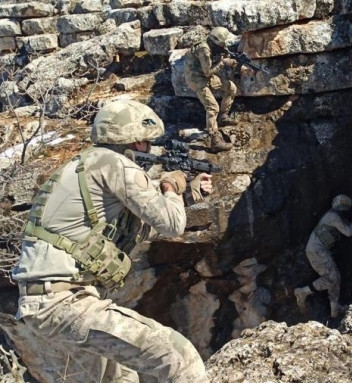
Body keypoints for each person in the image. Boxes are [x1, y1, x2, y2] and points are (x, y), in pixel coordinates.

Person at [11, 99, 212, 383]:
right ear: (130, 141)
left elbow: (135, 228)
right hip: (64, 302)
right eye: (144, 142)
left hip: (44, 303)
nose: (148, 149)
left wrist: (187, 194)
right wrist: (170, 187)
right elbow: (171, 224)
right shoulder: (114, 163)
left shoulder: (85, 165)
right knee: (179, 356)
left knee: (121, 378)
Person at [294, 194, 352, 318]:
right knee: (332, 278)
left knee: (335, 278)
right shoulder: (333, 217)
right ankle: (302, 292)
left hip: (318, 250)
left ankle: (334, 309)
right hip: (317, 251)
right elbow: (348, 232)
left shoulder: (332, 215)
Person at [184, 27, 240, 152]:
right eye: (222, 43)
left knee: (231, 87)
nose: (223, 45)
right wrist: (224, 62)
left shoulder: (212, 45)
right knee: (213, 107)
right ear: (216, 41)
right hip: (196, 78)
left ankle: (224, 116)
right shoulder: (204, 49)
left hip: (204, 75)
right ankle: (214, 140)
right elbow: (208, 72)